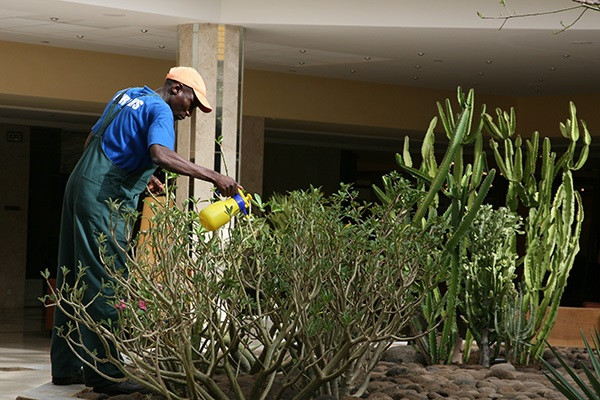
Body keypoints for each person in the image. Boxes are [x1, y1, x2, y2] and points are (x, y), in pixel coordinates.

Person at [50, 66, 241, 396]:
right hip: (102, 197)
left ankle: (66, 368)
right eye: (192, 103)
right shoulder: (162, 109)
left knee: (73, 277)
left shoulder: (129, 95)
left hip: (79, 184)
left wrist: (136, 174)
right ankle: (107, 375)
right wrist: (214, 177)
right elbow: (160, 153)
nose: (189, 112)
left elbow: (95, 139)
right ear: (176, 88)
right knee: (104, 279)